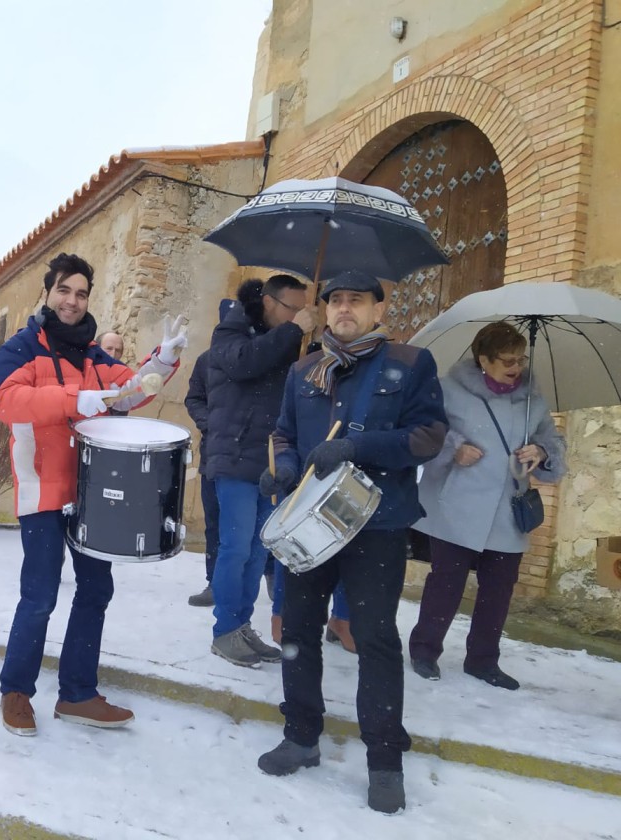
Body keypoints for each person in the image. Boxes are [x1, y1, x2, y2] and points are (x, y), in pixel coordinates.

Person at [256, 269, 448, 814]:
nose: (344, 309)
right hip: (310, 527)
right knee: (298, 631)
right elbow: (284, 433)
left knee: (375, 639)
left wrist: (356, 449)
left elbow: (428, 437)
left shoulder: (410, 364)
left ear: (378, 311)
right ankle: (301, 736)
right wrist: (284, 469)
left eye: (356, 301)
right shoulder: (304, 369)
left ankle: (385, 762)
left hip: (377, 525)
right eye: (335, 300)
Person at [0, 252, 185, 736]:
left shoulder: (95, 354)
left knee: (96, 590)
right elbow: (6, 401)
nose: (72, 301)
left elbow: (133, 391)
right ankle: (16, 690)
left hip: (95, 495)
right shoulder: (21, 348)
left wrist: (164, 357)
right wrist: (73, 400)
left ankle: (77, 693)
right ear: (48, 293)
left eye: (80, 293)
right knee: (39, 596)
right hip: (43, 490)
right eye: (64, 291)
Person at [409, 322, 566, 690]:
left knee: (499, 589)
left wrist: (541, 451)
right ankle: (424, 651)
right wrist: (454, 448)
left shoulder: (533, 398)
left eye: (520, 359)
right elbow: (425, 430)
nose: (516, 367)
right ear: (483, 359)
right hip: (457, 505)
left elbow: (552, 439)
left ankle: (482, 660)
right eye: (507, 360)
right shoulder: (449, 390)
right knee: (445, 584)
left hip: (507, 509)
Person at [205, 275, 316, 667]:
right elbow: (243, 363)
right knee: (234, 549)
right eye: (292, 308)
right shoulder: (232, 328)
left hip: (270, 458)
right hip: (234, 455)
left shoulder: (286, 340)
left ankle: (241, 626)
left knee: (257, 550)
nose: (299, 316)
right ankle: (224, 631)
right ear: (269, 302)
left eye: (303, 310)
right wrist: (292, 331)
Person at [183, 299, 234, 607]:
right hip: (215, 452)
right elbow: (194, 398)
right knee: (215, 521)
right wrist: (209, 422)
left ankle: (262, 576)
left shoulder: (261, 357)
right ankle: (214, 583)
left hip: (252, 457)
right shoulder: (206, 360)